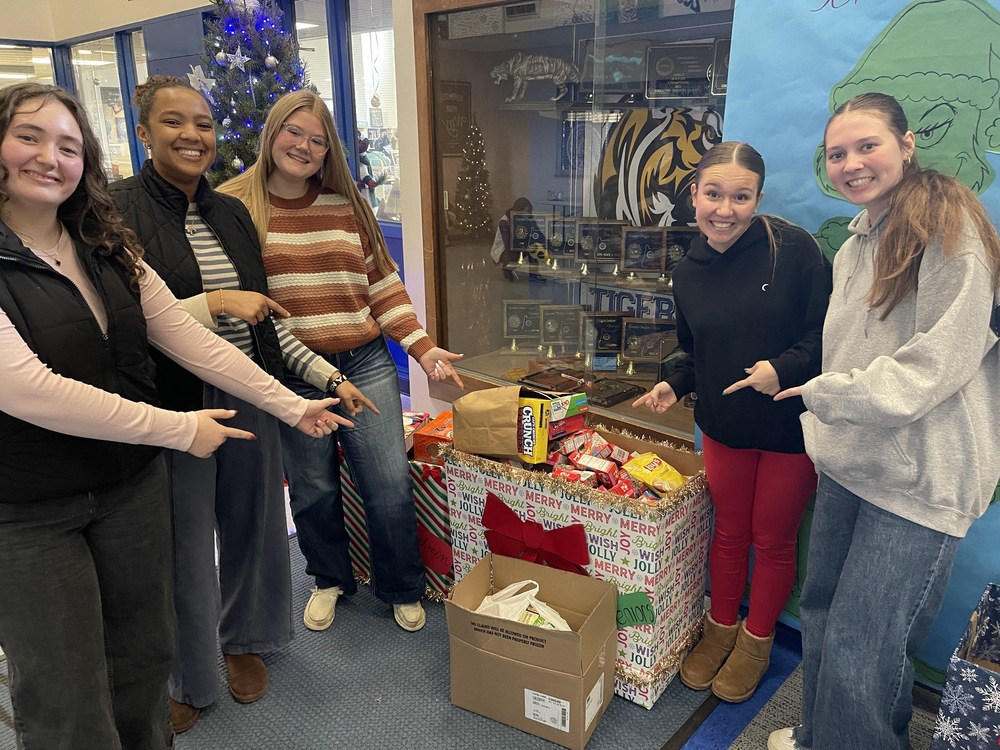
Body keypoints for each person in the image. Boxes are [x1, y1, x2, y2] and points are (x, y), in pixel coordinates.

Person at [0, 82, 351, 749]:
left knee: (140, 661)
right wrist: (179, 428)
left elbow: (184, 334)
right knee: (63, 688)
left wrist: (291, 402)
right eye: (29, 137)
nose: (50, 157)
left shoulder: (103, 239)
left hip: (128, 484)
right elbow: (28, 390)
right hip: (31, 506)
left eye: (68, 145)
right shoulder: (92, 226)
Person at [107, 75, 375, 734]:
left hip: (249, 384)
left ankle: (243, 642)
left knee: (255, 525)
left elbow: (269, 321)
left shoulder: (229, 212)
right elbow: (121, 322)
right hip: (178, 402)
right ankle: (189, 673)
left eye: (202, 123)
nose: (193, 135)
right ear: (143, 133)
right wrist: (218, 304)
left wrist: (320, 376)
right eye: (174, 123)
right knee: (187, 544)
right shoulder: (116, 212)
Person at [767, 93, 1000, 750]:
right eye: (837, 152)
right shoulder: (855, 246)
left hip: (920, 477)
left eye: (867, 145)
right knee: (822, 617)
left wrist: (823, 395)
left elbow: (936, 364)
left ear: (906, 144)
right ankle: (821, 737)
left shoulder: (948, 228)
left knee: (865, 644)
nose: (851, 163)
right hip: (855, 462)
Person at [219, 90, 464, 635]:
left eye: (316, 139)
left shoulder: (345, 204)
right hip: (289, 369)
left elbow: (382, 285)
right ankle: (329, 579)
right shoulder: (235, 205)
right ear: (272, 133)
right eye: (294, 132)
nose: (303, 147)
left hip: (365, 360)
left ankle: (400, 586)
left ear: (328, 151)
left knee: (388, 482)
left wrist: (421, 349)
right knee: (312, 488)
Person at [633, 142, 832, 703]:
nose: (724, 209)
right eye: (713, 194)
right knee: (727, 532)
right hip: (722, 428)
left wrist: (782, 368)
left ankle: (755, 643)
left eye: (740, 197)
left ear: (758, 199)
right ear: (693, 195)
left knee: (772, 541)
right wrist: (675, 381)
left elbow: (830, 336)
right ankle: (719, 630)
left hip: (790, 431)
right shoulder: (688, 271)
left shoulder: (794, 251)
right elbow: (694, 350)